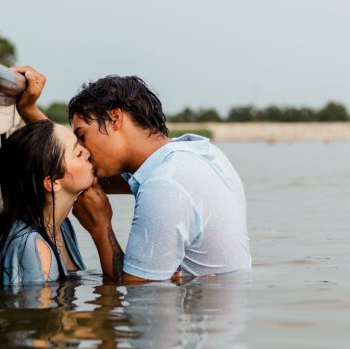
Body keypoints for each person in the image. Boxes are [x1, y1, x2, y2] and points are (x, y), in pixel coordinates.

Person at [14, 67, 251, 284]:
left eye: (82, 136)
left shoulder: (165, 184)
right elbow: (70, 167)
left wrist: (100, 227)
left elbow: (136, 294)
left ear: (116, 118)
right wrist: (29, 111)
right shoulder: (199, 154)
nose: (83, 150)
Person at [0, 118, 94, 287]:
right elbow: (39, 313)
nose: (88, 152)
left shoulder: (63, 226)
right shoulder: (34, 248)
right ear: (52, 183)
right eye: (78, 153)